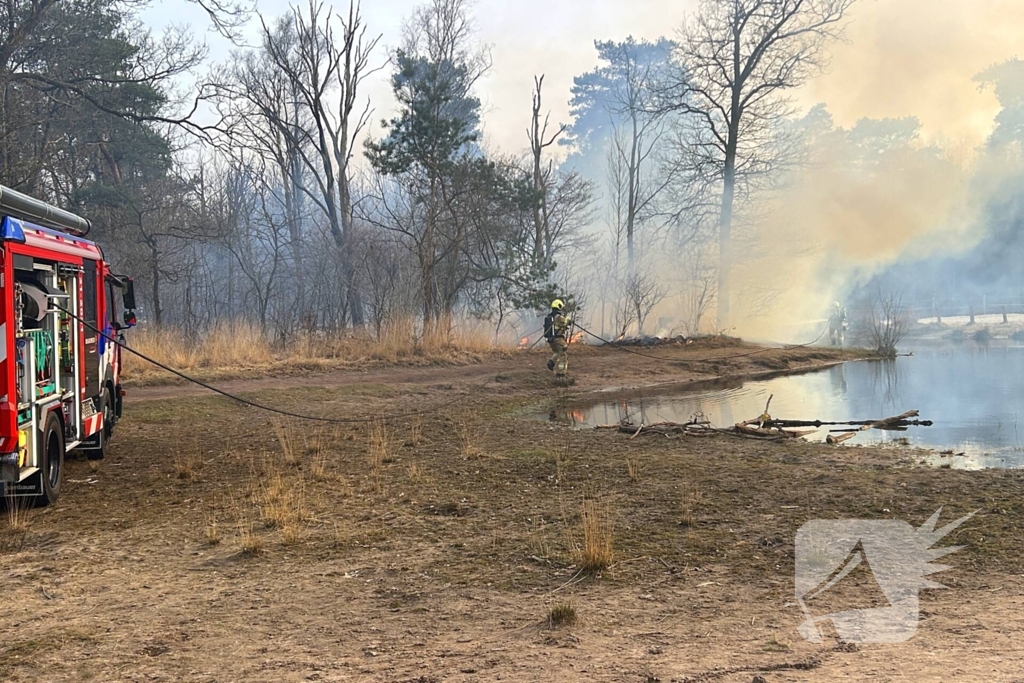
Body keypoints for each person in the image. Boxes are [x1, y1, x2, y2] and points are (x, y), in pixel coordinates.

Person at [544, 299, 571, 376]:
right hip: (558, 339)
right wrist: (568, 319)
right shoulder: (558, 317)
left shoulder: (550, 316)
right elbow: (565, 322)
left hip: (551, 339)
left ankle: (551, 362)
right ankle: (560, 373)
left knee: (557, 352)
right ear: (559, 306)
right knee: (563, 355)